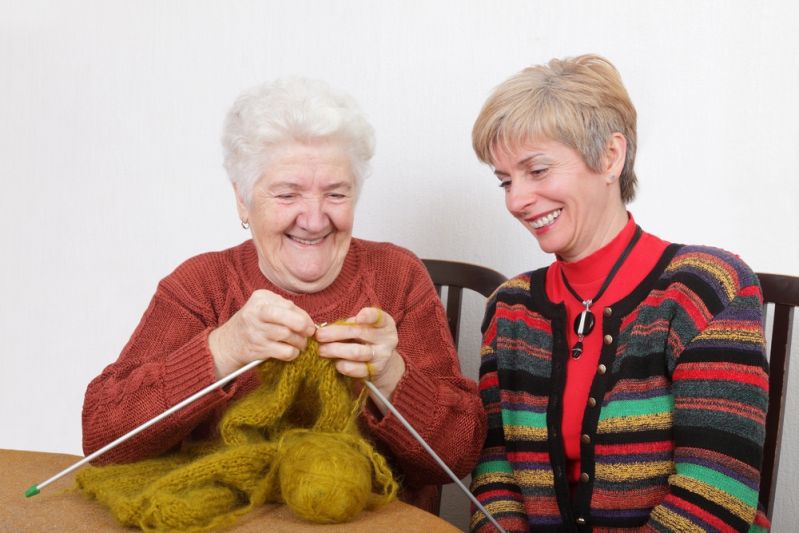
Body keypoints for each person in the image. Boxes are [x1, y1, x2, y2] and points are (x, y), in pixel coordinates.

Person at [82, 77, 486, 513]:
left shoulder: (397, 277)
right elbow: (103, 437)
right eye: (287, 193)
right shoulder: (202, 286)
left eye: (336, 193)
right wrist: (221, 350)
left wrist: (389, 375)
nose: (313, 219)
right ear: (243, 200)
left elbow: (457, 457)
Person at [469, 55, 769, 532]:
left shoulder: (708, 289)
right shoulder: (510, 308)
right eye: (505, 180)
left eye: (537, 171)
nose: (516, 200)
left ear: (610, 157)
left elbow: (716, 492)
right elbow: (496, 472)